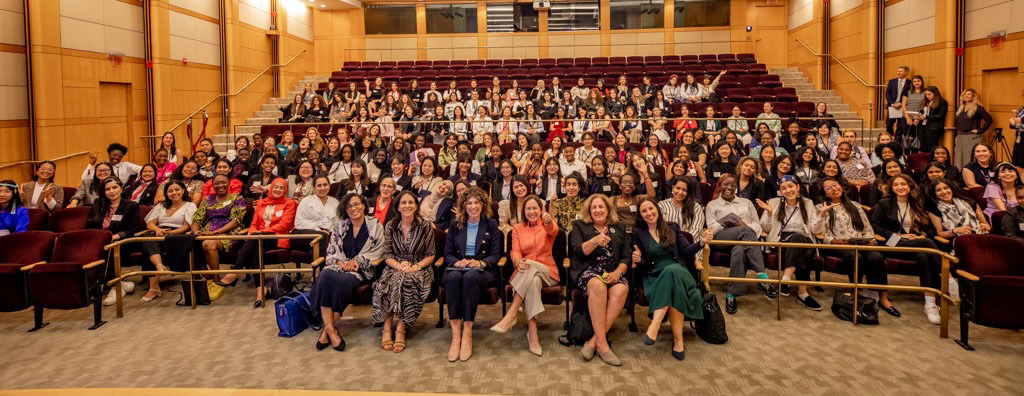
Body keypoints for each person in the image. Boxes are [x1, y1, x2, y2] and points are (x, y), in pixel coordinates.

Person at [632, 198, 710, 360]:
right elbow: (644, 265)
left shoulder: (672, 227)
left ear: (658, 209)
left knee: (672, 270)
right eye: (644, 211)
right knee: (674, 290)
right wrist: (639, 260)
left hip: (680, 272)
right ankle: (678, 341)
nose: (648, 213)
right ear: (640, 216)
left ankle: (655, 326)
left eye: (651, 209)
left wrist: (701, 242)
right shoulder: (638, 233)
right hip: (654, 276)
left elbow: (687, 251)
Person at [309, 193, 385, 352]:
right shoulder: (339, 225)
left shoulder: (374, 224)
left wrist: (356, 262)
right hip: (339, 266)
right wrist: (340, 262)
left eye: (357, 204)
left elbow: (379, 250)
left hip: (361, 270)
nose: (354, 208)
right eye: (349, 206)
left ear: (364, 205)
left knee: (341, 282)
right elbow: (331, 250)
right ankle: (330, 330)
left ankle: (326, 331)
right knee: (325, 275)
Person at [869, 174, 944, 324]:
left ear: (910, 186)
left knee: (924, 255)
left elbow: (930, 230)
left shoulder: (917, 204)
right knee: (928, 245)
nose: (900, 187)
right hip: (891, 243)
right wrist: (895, 235)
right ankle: (947, 277)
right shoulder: (884, 204)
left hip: (915, 245)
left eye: (903, 184)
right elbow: (875, 225)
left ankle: (930, 303)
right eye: (896, 185)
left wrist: (921, 237)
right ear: (891, 188)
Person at [817, 178, 898, 314]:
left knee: (877, 257)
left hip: (859, 241)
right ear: (825, 193)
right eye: (829, 188)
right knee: (855, 257)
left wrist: (868, 240)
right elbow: (822, 232)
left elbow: (867, 228)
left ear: (841, 187)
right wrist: (835, 241)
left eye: (835, 185)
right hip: (839, 244)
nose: (834, 189)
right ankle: (857, 291)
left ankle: (882, 296)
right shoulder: (821, 207)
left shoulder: (855, 205)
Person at [491, 194, 558, 356]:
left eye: (535, 208)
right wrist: (517, 261)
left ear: (541, 210)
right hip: (527, 272)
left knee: (531, 268)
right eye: (528, 208)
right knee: (533, 280)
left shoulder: (547, 225)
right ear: (523, 211)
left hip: (548, 271)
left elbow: (554, 230)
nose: (532, 211)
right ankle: (532, 330)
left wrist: (548, 221)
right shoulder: (517, 229)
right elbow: (515, 251)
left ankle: (512, 312)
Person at [568, 194, 630, 366]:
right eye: (594, 207)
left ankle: (594, 341)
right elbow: (578, 251)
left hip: (612, 272)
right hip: (588, 271)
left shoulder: (619, 227)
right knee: (598, 286)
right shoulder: (579, 226)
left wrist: (618, 272)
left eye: (601, 207)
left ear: (608, 209)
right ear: (589, 211)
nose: (598, 210)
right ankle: (603, 346)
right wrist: (595, 240)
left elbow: (626, 256)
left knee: (621, 289)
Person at [442, 187, 502, 362]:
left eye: (477, 203)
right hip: (457, 268)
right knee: (453, 278)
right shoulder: (455, 224)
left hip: (482, 270)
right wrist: (456, 262)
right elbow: (447, 254)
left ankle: (467, 333)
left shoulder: (491, 224)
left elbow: (496, 254)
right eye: (469, 203)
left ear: (483, 205)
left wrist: (481, 262)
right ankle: (456, 336)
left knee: (470, 277)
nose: (473, 206)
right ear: (463, 206)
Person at [373, 190, 436, 353]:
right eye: (403, 203)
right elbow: (387, 254)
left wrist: (415, 267)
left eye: (411, 203)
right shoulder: (391, 226)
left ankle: (401, 328)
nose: (407, 206)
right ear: (398, 207)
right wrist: (399, 266)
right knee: (384, 285)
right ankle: (387, 329)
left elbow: (430, 254)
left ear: (416, 206)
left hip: (420, 267)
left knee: (408, 282)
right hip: (395, 265)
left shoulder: (425, 225)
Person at [705, 174, 777, 314]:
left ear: (736, 188)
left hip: (744, 239)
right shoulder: (712, 205)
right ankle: (762, 276)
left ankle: (731, 295)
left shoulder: (747, 203)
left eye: (732, 185)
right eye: (725, 184)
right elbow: (711, 228)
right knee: (744, 231)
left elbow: (757, 226)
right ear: (719, 186)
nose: (729, 188)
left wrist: (744, 226)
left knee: (739, 250)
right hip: (722, 238)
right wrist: (726, 222)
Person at [221, 178, 296, 307]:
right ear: (271, 188)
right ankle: (261, 291)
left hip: (278, 238)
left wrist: (262, 233)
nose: (278, 190)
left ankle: (236, 270)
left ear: (285, 190)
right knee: (256, 251)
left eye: (281, 188)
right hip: (258, 240)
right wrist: (253, 233)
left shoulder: (289, 203)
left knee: (255, 241)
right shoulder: (261, 203)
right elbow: (254, 224)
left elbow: (284, 225)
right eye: (275, 187)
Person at [756, 176, 827, 310]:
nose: (788, 190)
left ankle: (786, 279)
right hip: (781, 241)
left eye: (791, 186)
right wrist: (770, 213)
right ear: (780, 191)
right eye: (784, 188)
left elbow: (814, 229)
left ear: (798, 187)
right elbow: (765, 228)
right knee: (801, 246)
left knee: (799, 240)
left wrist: (822, 216)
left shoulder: (808, 203)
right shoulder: (774, 202)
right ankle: (802, 293)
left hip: (804, 240)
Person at [137, 180, 197, 303]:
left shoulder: (190, 205)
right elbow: (150, 223)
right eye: (170, 191)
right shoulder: (161, 205)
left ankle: (155, 283)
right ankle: (157, 273)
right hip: (159, 233)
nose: (174, 193)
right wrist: (159, 230)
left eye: (177, 190)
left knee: (151, 247)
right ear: (166, 193)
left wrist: (170, 233)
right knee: (147, 238)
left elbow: (187, 226)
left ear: (183, 191)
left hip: (177, 235)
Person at [88, 178, 143, 305]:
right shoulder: (98, 203)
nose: (111, 191)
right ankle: (98, 285)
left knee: (111, 248)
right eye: (107, 189)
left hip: (123, 241)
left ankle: (114, 286)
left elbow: (133, 229)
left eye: (114, 188)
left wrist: (116, 236)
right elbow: (90, 224)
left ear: (121, 188)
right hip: (100, 240)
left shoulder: (131, 205)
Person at [194, 175, 247, 281]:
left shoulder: (237, 198)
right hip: (206, 233)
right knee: (187, 243)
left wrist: (214, 233)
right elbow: (197, 219)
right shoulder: (208, 199)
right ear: (212, 185)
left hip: (229, 233)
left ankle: (216, 280)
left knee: (208, 243)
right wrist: (195, 233)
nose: (220, 185)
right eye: (217, 183)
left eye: (223, 182)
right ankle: (208, 277)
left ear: (229, 183)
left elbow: (235, 222)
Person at [293, 176, 339, 256]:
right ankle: (320, 266)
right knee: (322, 236)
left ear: (329, 186)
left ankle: (320, 266)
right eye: (319, 186)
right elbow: (299, 223)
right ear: (314, 187)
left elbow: (337, 223)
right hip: (305, 234)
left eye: (325, 185)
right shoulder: (306, 201)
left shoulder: (335, 202)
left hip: (327, 235)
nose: (322, 188)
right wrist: (318, 230)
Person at [953, 89, 994, 167]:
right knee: (959, 158)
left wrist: (981, 130)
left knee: (969, 158)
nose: (966, 96)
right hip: (960, 136)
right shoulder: (960, 108)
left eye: (969, 94)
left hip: (971, 137)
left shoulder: (978, 108)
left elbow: (989, 119)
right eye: (965, 94)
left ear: (973, 96)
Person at [885, 66, 911, 136]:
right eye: (898, 71)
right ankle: (890, 138)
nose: (898, 73)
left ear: (906, 72)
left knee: (900, 127)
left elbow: (910, 95)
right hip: (892, 107)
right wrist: (893, 104)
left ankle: (897, 142)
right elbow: (887, 93)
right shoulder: (892, 81)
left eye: (900, 71)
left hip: (903, 108)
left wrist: (901, 103)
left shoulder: (910, 83)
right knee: (889, 124)